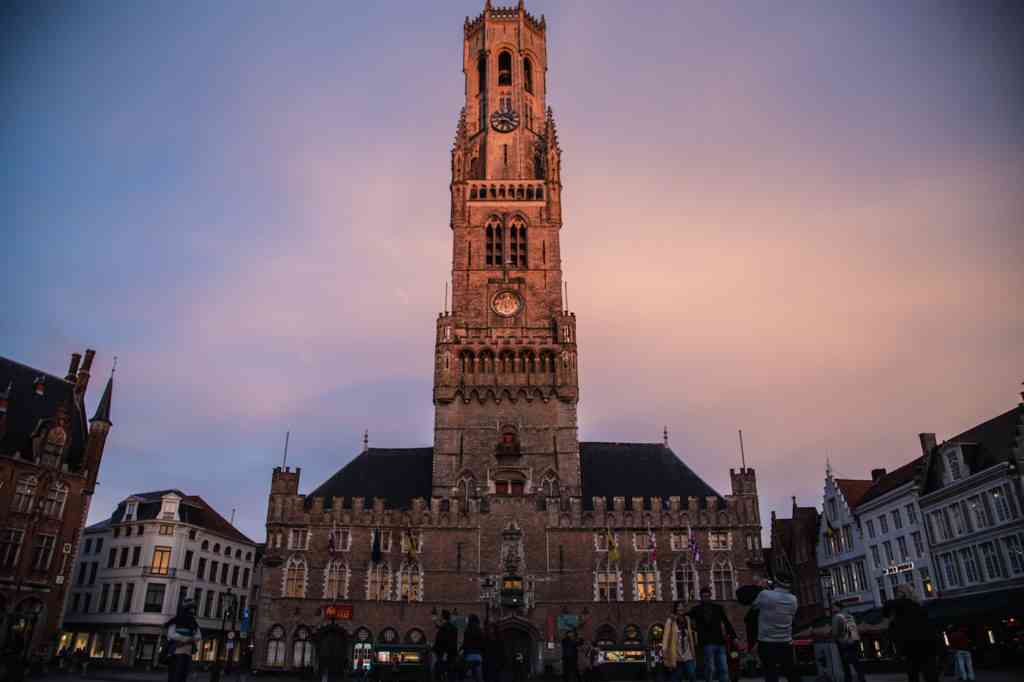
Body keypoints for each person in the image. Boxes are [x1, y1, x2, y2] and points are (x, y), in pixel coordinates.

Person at [883, 583, 938, 682]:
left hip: (911, 645)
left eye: (898, 592)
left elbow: (886, 609)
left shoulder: (901, 605)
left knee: (913, 673)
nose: (896, 594)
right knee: (930, 674)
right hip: (927, 645)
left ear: (903, 593)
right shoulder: (920, 607)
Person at [751, 571, 799, 682]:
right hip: (785, 641)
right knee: (790, 672)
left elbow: (754, 606)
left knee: (770, 673)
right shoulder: (793, 599)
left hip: (767, 642)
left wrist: (760, 587)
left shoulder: (765, 594)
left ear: (775, 582)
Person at [687, 586, 738, 682]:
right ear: (701, 597)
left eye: (707, 596)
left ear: (710, 596)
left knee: (723, 668)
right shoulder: (696, 609)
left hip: (719, 642)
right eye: (704, 596)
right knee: (710, 668)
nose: (706, 598)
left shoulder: (718, 608)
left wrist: (734, 636)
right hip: (707, 643)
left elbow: (727, 623)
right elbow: (685, 617)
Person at [165, 598, 201, 682]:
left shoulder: (193, 622)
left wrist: (189, 639)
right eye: (190, 608)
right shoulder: (176, 620)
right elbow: (170, 634)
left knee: (182, 676)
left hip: (187, 653)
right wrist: (186, 639)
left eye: (193, 608)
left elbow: (198, 636)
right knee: (175, 676)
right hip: (176, 652)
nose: (192, 611)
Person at [662, 602, 697, 682]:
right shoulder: (670, 621)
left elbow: (690, 635)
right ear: (675, 609)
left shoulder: (687, 620)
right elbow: (666, 638)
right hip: (676, 654)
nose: (680, 608)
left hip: (688, 653)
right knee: (677, 677)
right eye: (678, 607)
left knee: (692, 674)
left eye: (682, 607)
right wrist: (665, 653)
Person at [832, 601, 867, 682]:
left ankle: (848, 679)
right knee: (856, 662)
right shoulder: (849, 615)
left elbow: (835, 632)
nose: (832, 608)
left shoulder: (837, 617)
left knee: (845, 663)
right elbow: (854, 629)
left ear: (838, 607)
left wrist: (835, 637)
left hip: (843, 642)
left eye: (833, 607)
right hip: (853, 641)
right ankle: (862, 678)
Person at [433, 610, 459, 682]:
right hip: (452, 655)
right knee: (451, 676)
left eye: (441, 616)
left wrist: (435, 649)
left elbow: (441, 641)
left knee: (437, 672)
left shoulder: (443, 628)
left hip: (444, 655)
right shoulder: (454, 628)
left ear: (443, 617)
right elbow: (454, 643)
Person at [462, 615, 486, 682]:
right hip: (478, 657)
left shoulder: (467, 630)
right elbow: (482, 644)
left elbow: (465, 644)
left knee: (468, 678)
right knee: (479, 678)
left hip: (468, 657)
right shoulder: (480, 630)